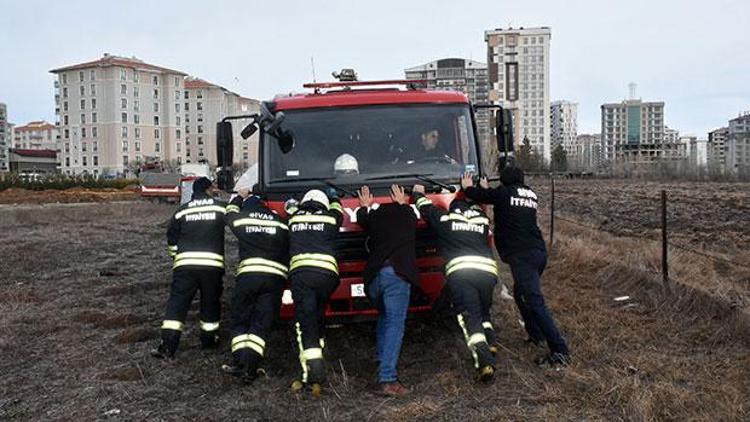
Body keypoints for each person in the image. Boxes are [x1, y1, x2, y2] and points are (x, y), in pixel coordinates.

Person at [461, 168, 571, 367]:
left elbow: (481, 196)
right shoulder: (530, 194)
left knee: (534, 300)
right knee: (520, 294)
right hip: (538, 252)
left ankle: (560, 349)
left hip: (523, 255)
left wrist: (468, 188)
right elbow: (506, 202)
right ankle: (535, 335)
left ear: (505, 181)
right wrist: (489, 190)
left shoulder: (504, 193)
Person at [412, 184, 498, 381]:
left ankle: (484, 362)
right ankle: (491, 343)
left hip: (463, 274)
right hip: (487, 274)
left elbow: (427, 209)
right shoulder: (482, 221)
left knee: (470, 318)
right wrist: (478, 190)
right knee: (483, 312)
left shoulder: (446, 220)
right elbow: (478, 206)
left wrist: (417, 194)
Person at [152, 177, 228, 359]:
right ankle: (209, 341)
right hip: (211, 267)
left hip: (185, 267)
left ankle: (167, 346)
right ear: (209, 189)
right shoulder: (219, 207)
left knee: (177, 305)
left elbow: (171, 239)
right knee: (210, 303)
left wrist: (176, 256)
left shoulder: (181, 211)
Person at [221, 187, 289, 381]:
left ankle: (239, 362)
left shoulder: (244, 219)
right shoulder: (280, 223)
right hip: (275, 278)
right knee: (262, 321)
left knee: (241, 318)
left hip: (249, 277)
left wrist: (239, 198)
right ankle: (251, 366)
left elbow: (229, 214)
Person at [356, 184, 418, 396]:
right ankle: (388, 379)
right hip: (396, 277)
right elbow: (410, 211)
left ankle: (381, 360)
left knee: (384, 316)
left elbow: (361, 217)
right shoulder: (407, 214)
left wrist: (365, 205)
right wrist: (402, 201)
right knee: (395, 323)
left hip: (374, 279)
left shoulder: (374, 219)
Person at [285, 188, 344, 396]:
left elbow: (290, 208)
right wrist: (335, 197)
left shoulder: (294, 218)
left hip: (303, 276)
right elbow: (339, 212)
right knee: (317, 316)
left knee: (305, 322)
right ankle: (317, 360)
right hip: (328, 277)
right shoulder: (330, 218)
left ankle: (313, 372)